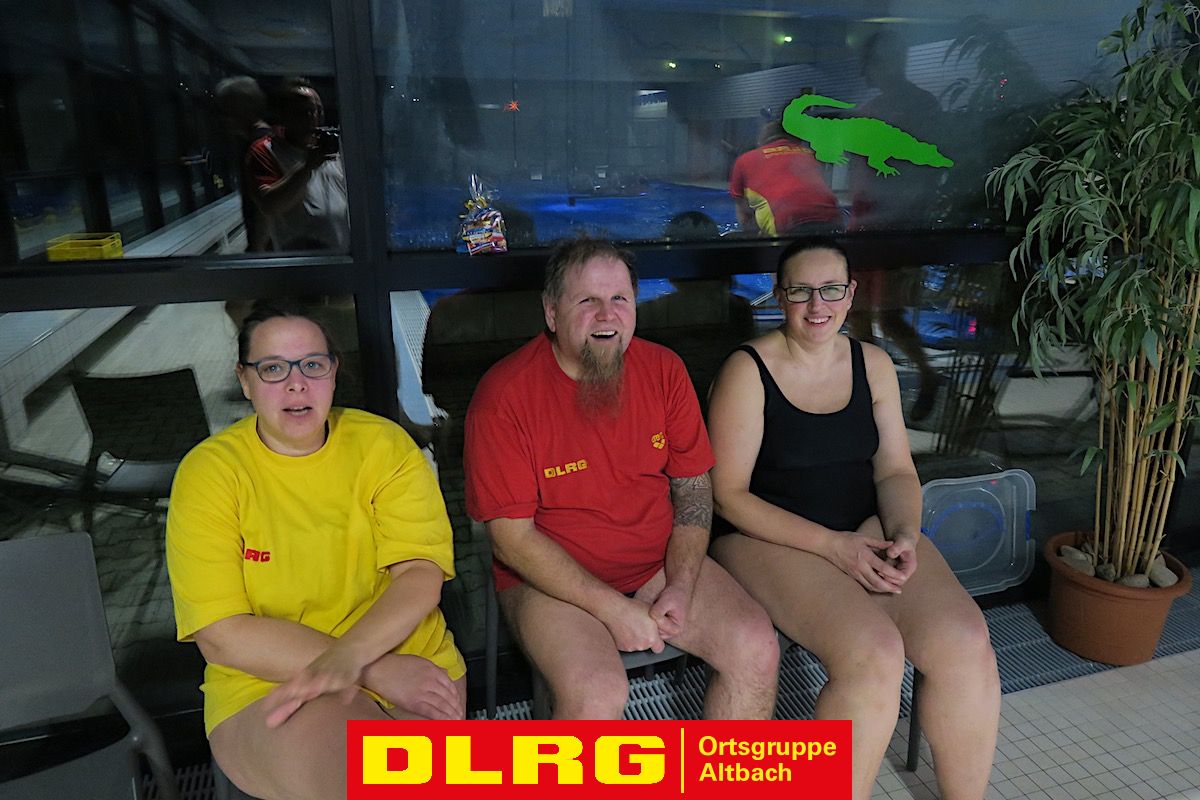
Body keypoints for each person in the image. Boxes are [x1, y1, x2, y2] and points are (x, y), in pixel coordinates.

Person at [707, 239, 999, 800]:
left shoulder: (874, 363)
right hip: (765, 534)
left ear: (851, 294)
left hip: (862, 525)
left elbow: (895, 470)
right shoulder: (748, 370)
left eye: (831, 289)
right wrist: (831, 546)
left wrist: (905, 534)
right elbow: (728, 496)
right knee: (874, 656)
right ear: (779, 296)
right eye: (801, 291)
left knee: (963, 639)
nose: (817, 305)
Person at [464, 235, 779, 720]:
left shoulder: (664, 370)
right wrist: (613, 609)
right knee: (597, 694)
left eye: (619, 298)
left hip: (655, 565)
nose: (606, 315)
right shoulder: (504, 398)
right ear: (551, 312)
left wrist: (682, 584)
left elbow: (693, 488)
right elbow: (511, 541)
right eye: (587, 301)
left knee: (756, 648)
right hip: (550, 584)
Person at [166, 302, 465, 800]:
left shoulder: (384, 446)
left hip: (412, 661)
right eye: (273, 369)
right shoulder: (211, 475)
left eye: (312, 364)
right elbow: (223, 635)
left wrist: (364, 661)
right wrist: (367, 668)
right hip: (271, 680)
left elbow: (419, 574)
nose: (296, 384)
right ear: (244, 380)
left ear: (333, 372)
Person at [246, 77, 350, 251]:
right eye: (304, 112)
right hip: (300, 256)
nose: (314, 118)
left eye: (318, 111)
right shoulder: (266, 150)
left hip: (344, 254)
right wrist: (307, 167)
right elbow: (269, 205)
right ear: (284, 116)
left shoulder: (332, 146)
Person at [729, 121, 841, 237]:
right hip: (832, 219)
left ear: (761, 140)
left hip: (786, 223)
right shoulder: (811, 155)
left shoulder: (745, 159)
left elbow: (743, 211)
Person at [214, 76, 273, 253]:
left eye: (228, 109)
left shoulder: (256, 145)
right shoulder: (269, 138)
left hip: (268, 246)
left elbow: (264, 206)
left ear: (245, 107)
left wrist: (257, 248)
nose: (224, 118)